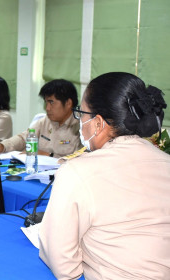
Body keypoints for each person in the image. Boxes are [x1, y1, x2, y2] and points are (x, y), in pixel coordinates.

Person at [38, 72, 170, 279]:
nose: (80, 120)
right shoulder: (165, 161)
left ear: (98, 123)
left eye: (81, 113)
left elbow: (63, 265)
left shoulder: (78, 172)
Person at [0, 79, 82, 157]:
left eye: (51, 102)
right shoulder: (45, 121)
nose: (47, 108)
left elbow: (80, 160)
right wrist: (2, 146)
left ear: (68, 103)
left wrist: (48, 155)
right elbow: (23, 138)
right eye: (46, 102)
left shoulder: (81, 127)